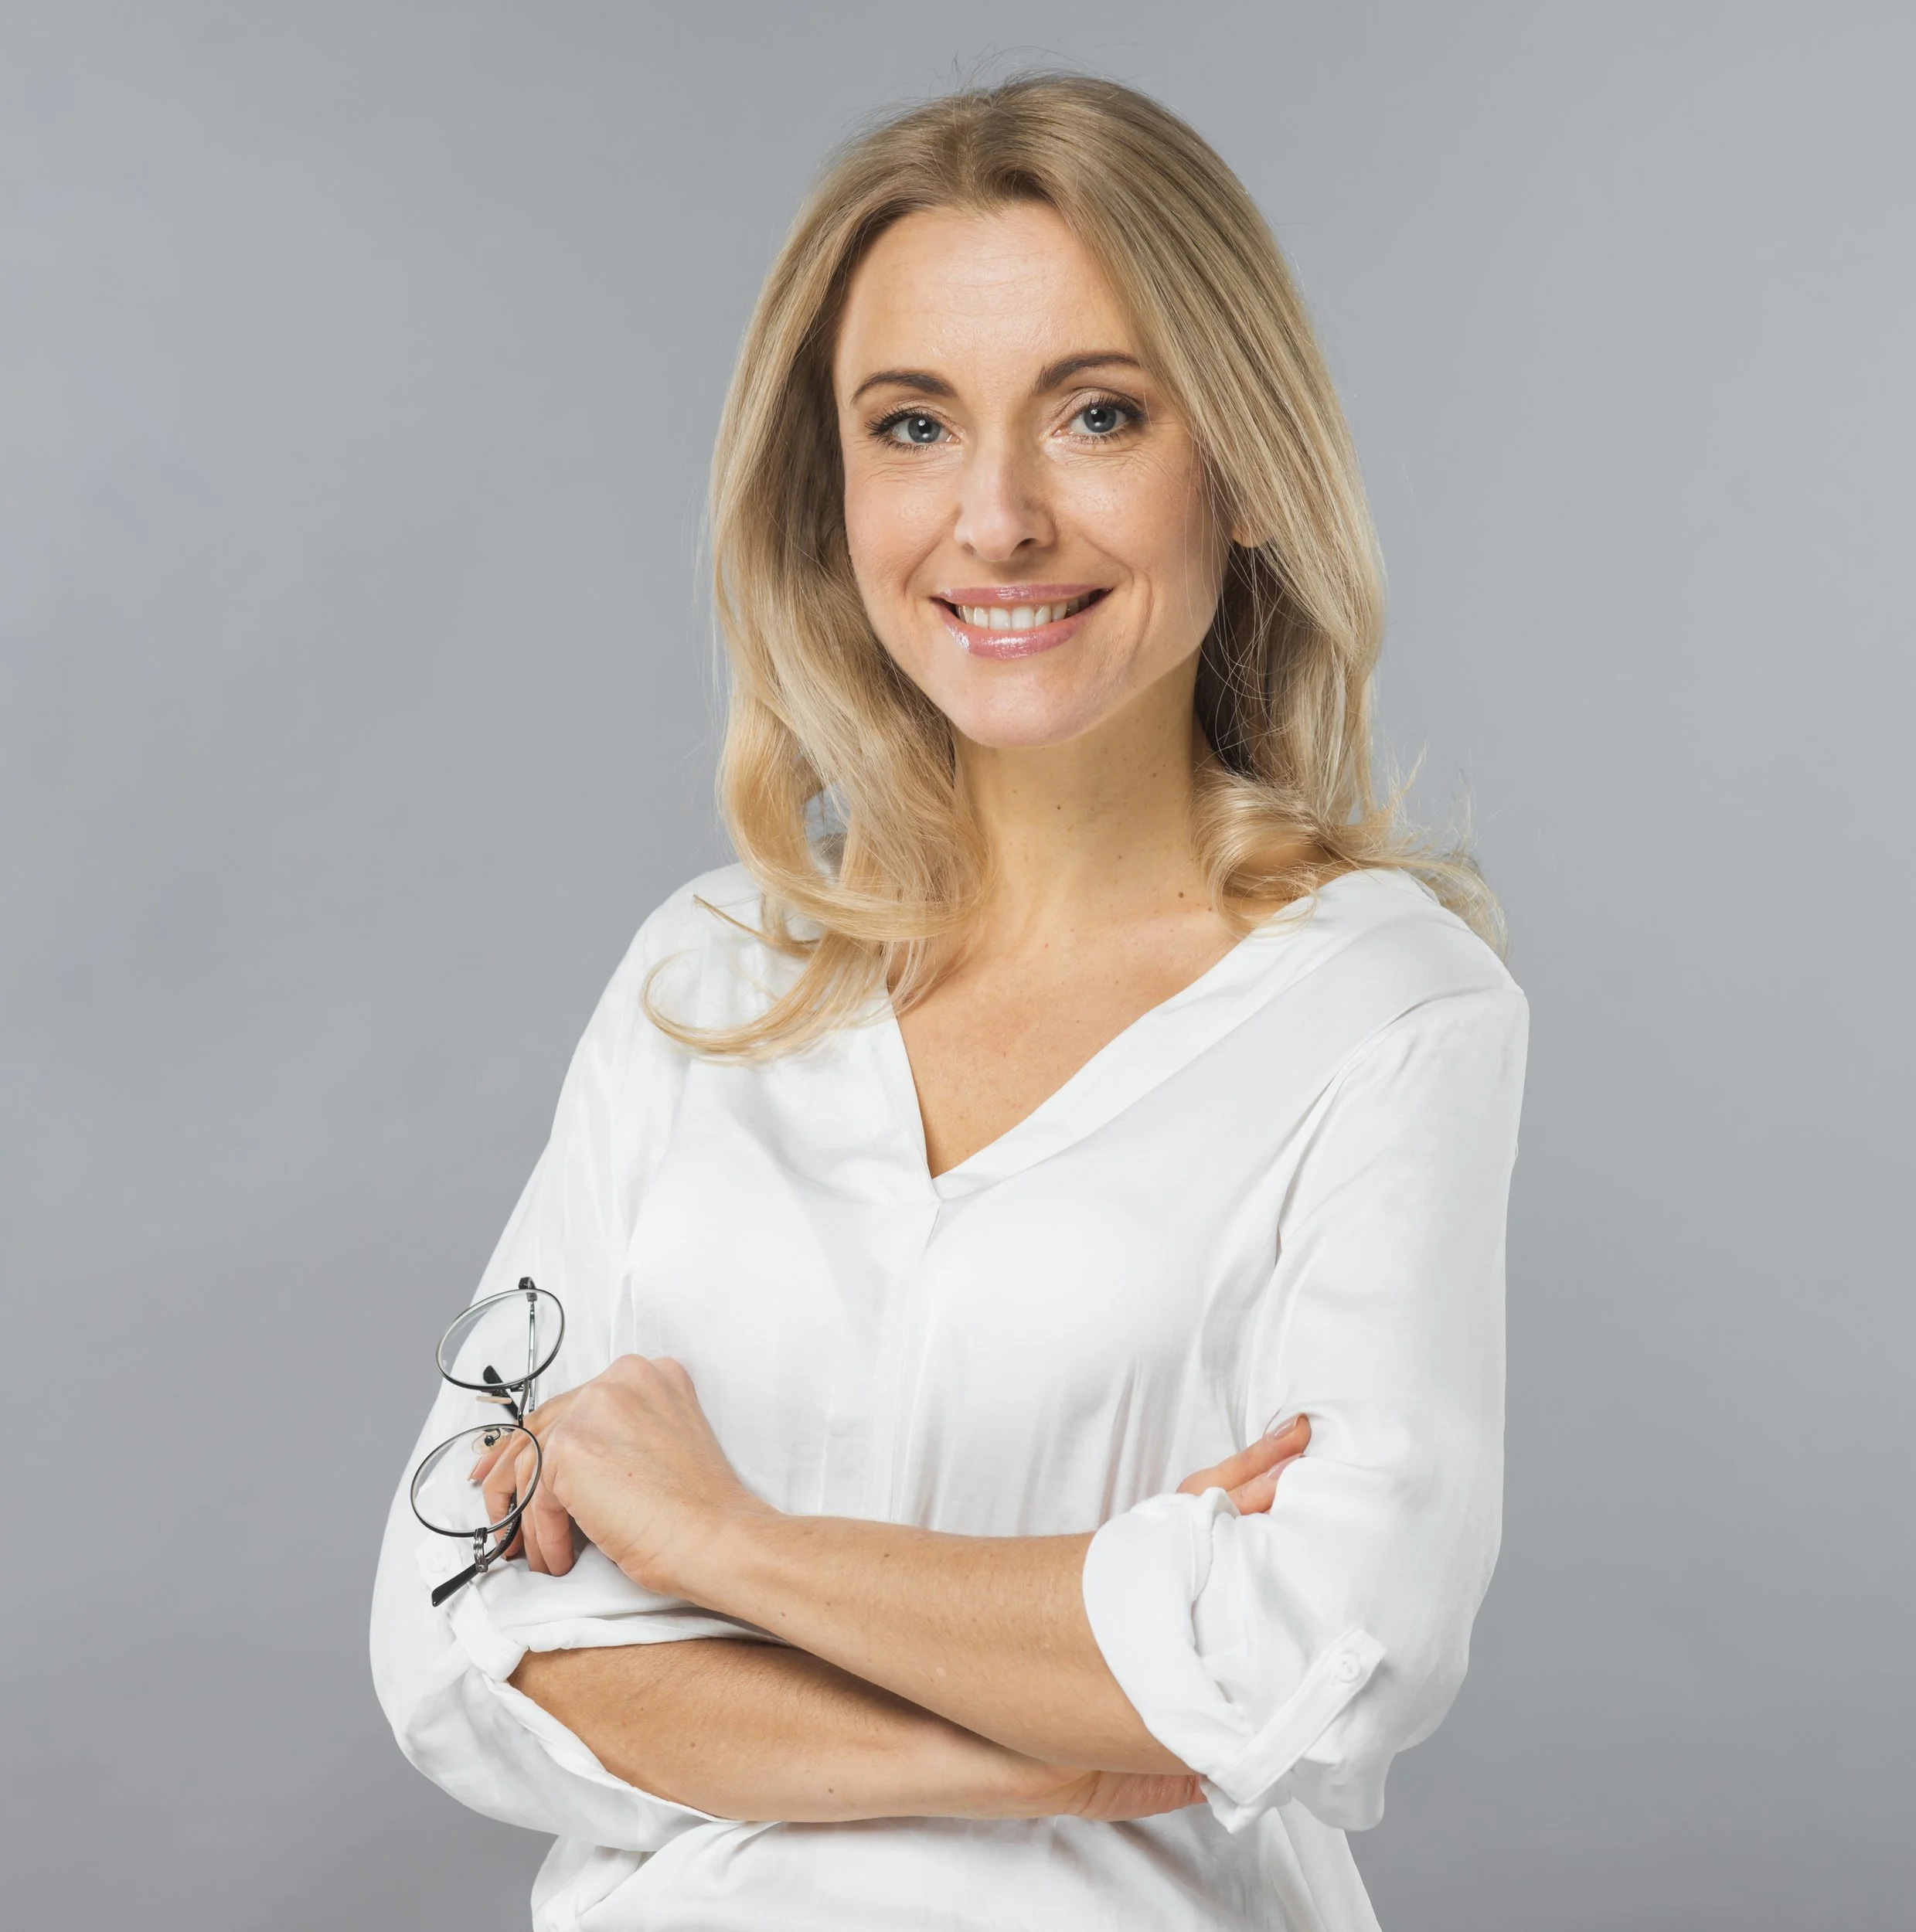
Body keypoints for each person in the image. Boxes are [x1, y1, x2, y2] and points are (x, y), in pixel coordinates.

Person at [369, 72, 1527, 1932]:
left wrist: (724, 1549)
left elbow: (1324, 1649)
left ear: (1234, 465)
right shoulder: (702, 977)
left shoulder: (1387, 1007)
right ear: (832, 496)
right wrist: (1066, 1720)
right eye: (910, 424)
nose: (992, 517)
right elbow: (462, 1649)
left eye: (1094, 412)